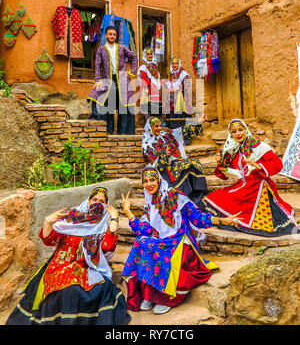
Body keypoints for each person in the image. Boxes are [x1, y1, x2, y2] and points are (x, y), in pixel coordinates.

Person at [121, 167, 241, 315]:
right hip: (162, 243)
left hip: (179, 242)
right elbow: (144, 231)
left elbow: (197, 217)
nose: (148, 184)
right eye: (145, 181)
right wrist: (128, 213)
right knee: (141, 242)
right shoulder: (149, 205)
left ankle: (166, 297)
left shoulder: (176, 196)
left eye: (152, 179)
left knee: (152, 246)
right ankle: (150, 294)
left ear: (159, 180)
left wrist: (223, 220)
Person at [6, 186, 131, 325]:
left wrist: (114, 218)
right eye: (94, 199)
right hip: (60, 265)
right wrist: (48, 221)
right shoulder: (72, 218)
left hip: (84, 267)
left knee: (82, 290)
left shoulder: (102, 225)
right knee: (62, 291)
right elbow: (49, 239)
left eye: (101, 201)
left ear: (106, 205)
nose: (96, 203)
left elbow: (107, 246)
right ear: (88, 201)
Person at [203, 119, 299, 237]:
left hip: (258, 186)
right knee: (214, 197)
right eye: (234, 131)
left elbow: (278, 164)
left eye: (240, 130)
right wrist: (220, 164)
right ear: (230, 134)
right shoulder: (231, 151)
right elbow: (224, 176)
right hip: (241, 186)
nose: (238, 133)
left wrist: (258, 166)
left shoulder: (259, 147)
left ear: (245, 130)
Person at [142, 114, 208, 206]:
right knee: (185, 167)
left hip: (173, 163)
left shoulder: (165, 134)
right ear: (150, 128)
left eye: (160, 125)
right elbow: (154, 164)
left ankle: (198, 196)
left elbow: (181, 131)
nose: (159, 128)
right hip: (162, 171)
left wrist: (199, 121)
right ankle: (183, 197)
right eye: (156, 126)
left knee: (194, 163)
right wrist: (165, 155)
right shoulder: (147, 144)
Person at [89, 26, 137, 135]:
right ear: (106, 36)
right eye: (110, 34)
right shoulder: (101, 49)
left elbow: (133, 57)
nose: (112, 36)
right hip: (108, 80)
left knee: (124, 105)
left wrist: (132, 72)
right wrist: (97, 81)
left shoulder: (122, 48)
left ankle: (124, 133)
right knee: (107, 105)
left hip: (122, 80)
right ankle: (108, 131)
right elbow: (97, 65)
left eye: (114, 34)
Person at [164, 57, 193, 129]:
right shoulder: (172, 74)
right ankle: (173, 129)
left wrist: (176, 89)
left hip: (180, 97)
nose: (174, 65)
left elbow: (187, 84)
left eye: (176, 63)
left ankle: (180, 128)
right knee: (172, 112)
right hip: (172, 97)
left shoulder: (183, 73)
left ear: (179, 64)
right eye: (173, 64)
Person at [137, 47, 161, 121]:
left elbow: (157, 77)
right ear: (145, 55)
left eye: (151, 54)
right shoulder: (143, 66)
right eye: (148, 54)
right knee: (147, 108)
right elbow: (143, 79)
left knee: (154, 108)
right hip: (147, 89)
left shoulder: (154, 65)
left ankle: (154, 125)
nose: (150, 56)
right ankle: (148, 125)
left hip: (154, 89)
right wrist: (147, 88)